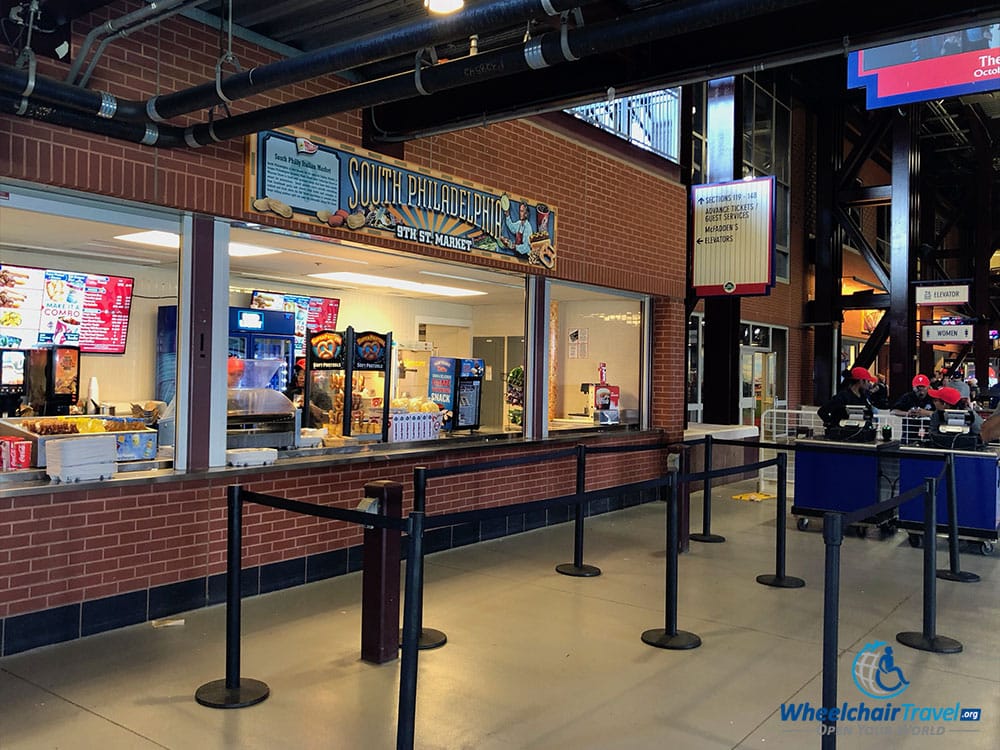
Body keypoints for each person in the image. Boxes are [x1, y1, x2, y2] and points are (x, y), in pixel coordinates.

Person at [284, 358, 333, 425]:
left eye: (304, 374)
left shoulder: (322, 395)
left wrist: (310, 406)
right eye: (299, 374)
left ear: (313, 376)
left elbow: (328, 419)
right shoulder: (292, 393)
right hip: (295, 432)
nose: (300, 377)